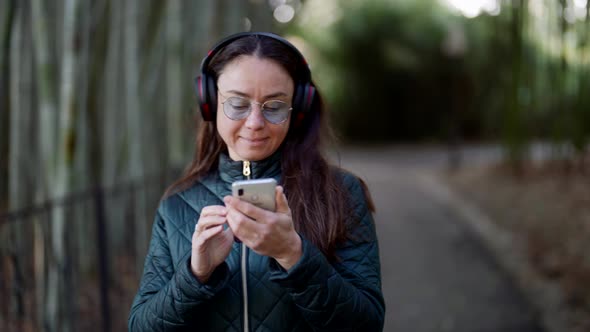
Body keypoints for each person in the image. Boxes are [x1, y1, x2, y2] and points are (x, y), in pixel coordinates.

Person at [128, 32, 385, 331]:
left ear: (297, 109)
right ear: (210, 102)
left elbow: (367, 324)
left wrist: (294, 255)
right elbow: (140, 327)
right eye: (237, 104)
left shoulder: (341, 194)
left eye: (274, 106)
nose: (254, 123)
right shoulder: (176, 206)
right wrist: (195, 274)